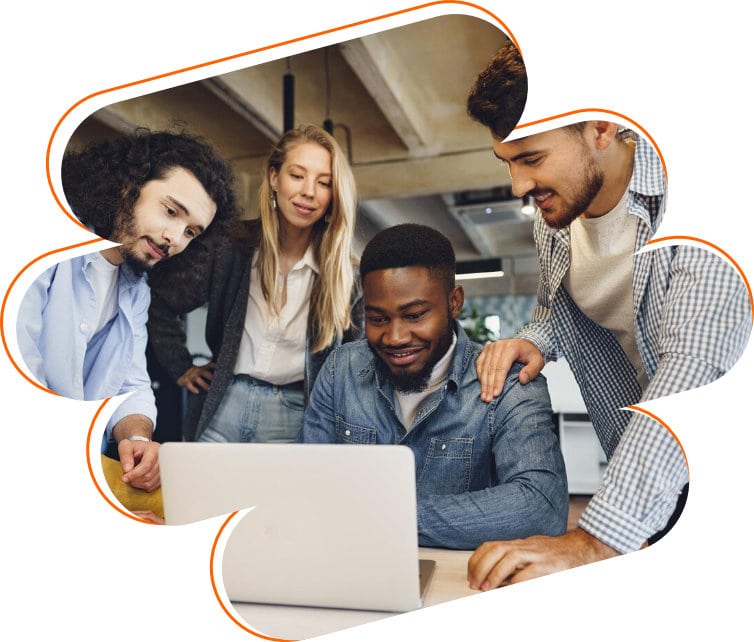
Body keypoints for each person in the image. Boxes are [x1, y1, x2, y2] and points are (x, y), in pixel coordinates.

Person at [464, 43, 752, 587]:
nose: (519, 187)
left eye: (531, 158)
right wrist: (537, 340)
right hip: (659, 463)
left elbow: (691, 368)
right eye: (507, 163)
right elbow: (562, 305)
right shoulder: (555, 223)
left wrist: (596, 539)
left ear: (599, 128)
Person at [300, 223, 568, 550]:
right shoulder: (340, 370)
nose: (395, 337)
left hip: (462, 584)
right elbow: (309, 483)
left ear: (454, 302)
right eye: (378, 319)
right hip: (353, 564)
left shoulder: (510, 383)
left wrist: (388, 517)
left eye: (414, 316)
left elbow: (542, 506)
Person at [17, 129, 241, 491]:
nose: (175, 239)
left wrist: (137, 439)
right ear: (128, 185)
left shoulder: (136, 289)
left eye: (191, 232)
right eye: (170, 211)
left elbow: (131, 382)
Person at [147, 124, 363, 443]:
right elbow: (159, 303)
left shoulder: (346, 274)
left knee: (280, 496)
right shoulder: (231, 246)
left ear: (334, 194)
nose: (308, 191)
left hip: (295, 415)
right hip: (223, 404)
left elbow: (361, 364)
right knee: (202, 493)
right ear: (274, 177)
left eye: (324, 183)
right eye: (297, 175)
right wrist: (181, 365)